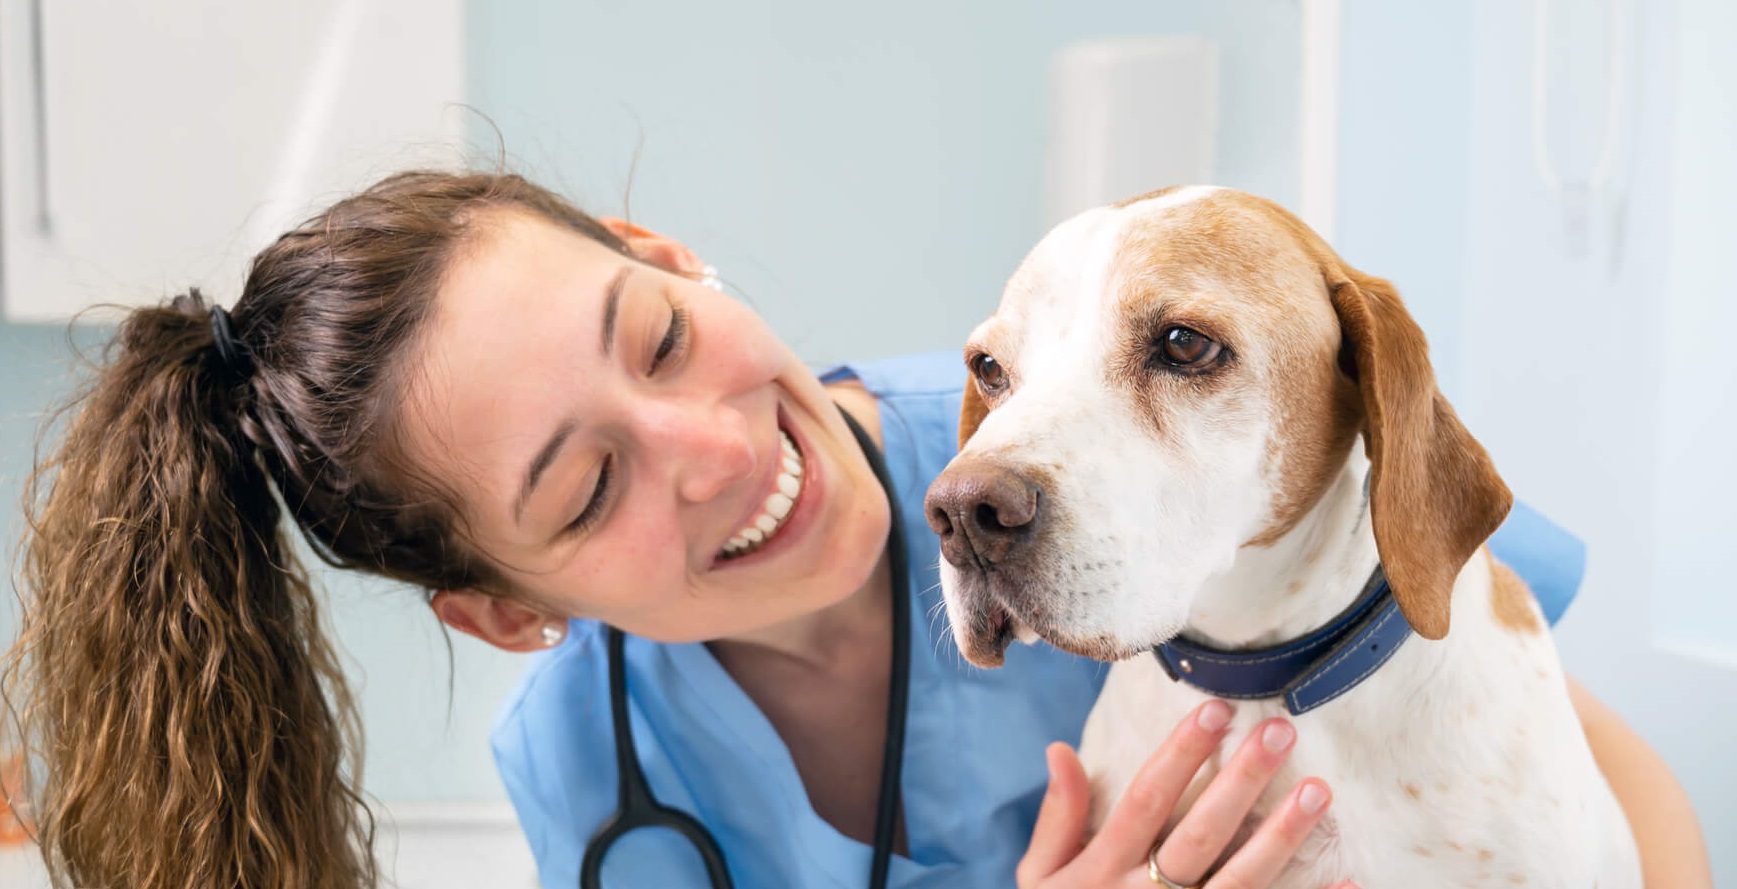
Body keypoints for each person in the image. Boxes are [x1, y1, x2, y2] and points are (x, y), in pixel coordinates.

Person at [0, 171, 1708, 889]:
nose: (709, 443)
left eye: (657, 339)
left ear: (668, 256)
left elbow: (1586, 772)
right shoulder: (598, 791)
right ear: (507, 612)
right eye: (582, 491)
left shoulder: (1023, 454)